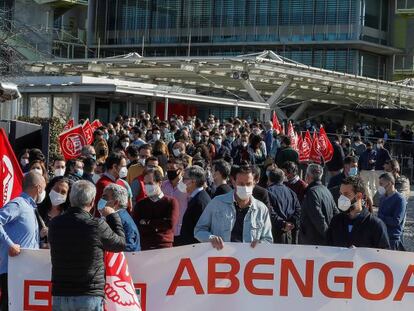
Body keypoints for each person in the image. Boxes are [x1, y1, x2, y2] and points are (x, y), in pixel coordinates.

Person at [48, 180, 126, 311]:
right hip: (88, 294)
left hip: (61, 294)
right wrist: (113, 216)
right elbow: (120, 244)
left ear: (71, 199)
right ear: (92, 202)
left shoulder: (54, 224)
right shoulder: (96, 225)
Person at [194, 165, 273, 249]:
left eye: (248, 184)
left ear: (254, 183)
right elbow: (199, 230)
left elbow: (268, 239)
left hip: (248, 260)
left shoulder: (261, 209)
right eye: (241, 184)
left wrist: (261, 243)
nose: (245, 187)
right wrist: (211, 238)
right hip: (221, 258)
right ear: (233, 182)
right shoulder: (217, 203)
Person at [0, 172, 46, 310]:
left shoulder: (31, 208)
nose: (44, 191)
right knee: (10, 305)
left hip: (25, 269)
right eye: (44, 187)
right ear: (38, 188)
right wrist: (10, 244)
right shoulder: (19, 204)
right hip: (11, 269)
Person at [326, 176, 390, 249]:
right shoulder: (336, 221)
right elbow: (327, 249)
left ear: (359, 196)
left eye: (346, 194)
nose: (341, 198)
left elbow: (384, 254)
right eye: (341, 194)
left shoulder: (375, 224)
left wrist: (360, 253)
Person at [133, 168, 179, 250]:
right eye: (145, 183)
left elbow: (169, 224)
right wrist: (159, 223)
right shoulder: (140, 204)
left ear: (160, 183)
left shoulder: (171, 202)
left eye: (150, 183)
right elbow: (137, 225)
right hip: (145, 246)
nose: (147, 186)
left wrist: (147, 222)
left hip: (164, 246)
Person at [299, 164, 339, 245]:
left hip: (314, 241)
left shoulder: (311, 192)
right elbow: (336, 213)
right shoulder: (326, 190)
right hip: (322, 240)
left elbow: (318, 217)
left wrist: (328, 236)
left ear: (308, 176)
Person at [267, 168, 301, 244]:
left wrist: (284, 224)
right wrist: (290, 224)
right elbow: (298, 210)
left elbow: (269, 212)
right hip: (289, 234)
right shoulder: (291, 192)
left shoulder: (267, 192)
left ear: (269, 179)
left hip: (273, 234)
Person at [102, 184, 140, 252]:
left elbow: (129, 246)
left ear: (115, 202)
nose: (101, 200)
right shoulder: (120, 215)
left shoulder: (119, 219)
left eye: (105, 198)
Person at [179, 166, 211, 245]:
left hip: (195, 250)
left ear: (193, 181)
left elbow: (201, 230)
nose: (181, 181)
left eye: (184, 179)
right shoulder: (196, 198)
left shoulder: (200, 201)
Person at [37, 177, 71, 249]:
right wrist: (39, 236)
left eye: (63, 192)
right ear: (50, 189)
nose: (59, 194)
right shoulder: (37, 211)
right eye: (56, 189)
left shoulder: (69, 217)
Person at [377, 173, 407, 251]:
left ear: (389, 183)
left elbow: (396, 221)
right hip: (382, 237)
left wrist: (381, 218)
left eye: (381, 184)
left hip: (393, 240)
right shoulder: (382, 198)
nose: (380, 186)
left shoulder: (400, 199)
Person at [161, 159, 188, 240]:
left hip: (182, 229)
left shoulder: (186, 186)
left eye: (172, 168)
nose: (169, 171)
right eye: (168, 168)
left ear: (180, 171)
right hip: (167, 229)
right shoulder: (164, 185)